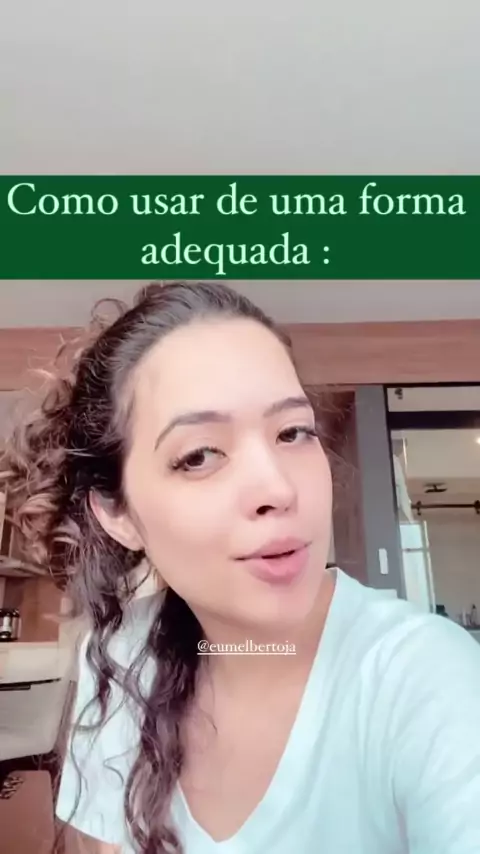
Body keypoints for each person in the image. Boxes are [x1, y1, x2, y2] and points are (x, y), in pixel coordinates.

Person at [2, 281, 480, 854]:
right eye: (199, 455)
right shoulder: (123, 655)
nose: (278, 489)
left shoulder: (426, 677)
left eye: (292, 432)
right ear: (117, 513)